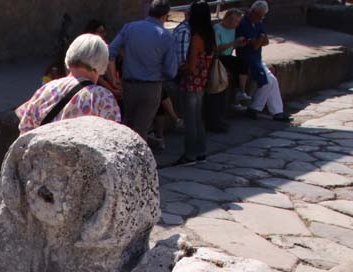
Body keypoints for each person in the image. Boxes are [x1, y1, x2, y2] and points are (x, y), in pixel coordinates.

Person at [17, 34, 120, 134]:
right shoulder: (102, 97)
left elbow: (25, 131)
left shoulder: (45, 90)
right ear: (102, 63)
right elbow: (114, 140)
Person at [108, 0, 178, 142]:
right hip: (151, 87)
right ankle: (138, 161)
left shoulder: (129, 28)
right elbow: (171, 71)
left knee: (128, 124)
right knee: (141, 129)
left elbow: (110, 52)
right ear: (165, 16)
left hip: (129, 85)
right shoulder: (166, 36)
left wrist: (113, 78)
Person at [236, 1, 291, 122]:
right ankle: (254, 108)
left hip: (257, 58)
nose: (262, 18)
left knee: (273, 81)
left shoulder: (258, 23)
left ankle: (277, 112)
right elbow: (256, 45)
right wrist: (260, 39)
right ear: (254, 12)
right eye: (261, 15)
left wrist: (259, 39)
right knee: (266, 82)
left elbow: (265, 42)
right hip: (248, 59)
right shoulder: (244, 24)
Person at [175, 0, 215, 164]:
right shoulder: (210, 35)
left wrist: (178, 70)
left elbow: (191, 66)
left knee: (190, 120)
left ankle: (190, 154)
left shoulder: (197, 38)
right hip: (202, 81)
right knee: (198, 119)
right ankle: (201, 151)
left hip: (191, 82)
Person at [205, 8, 247, 131]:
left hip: (227, 58)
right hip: (218, 59)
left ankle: (241, 91)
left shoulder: (235, 29)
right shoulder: (217, 29)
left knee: (243, 63)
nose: (238, 24)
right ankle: (215, 122)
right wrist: (233, 43)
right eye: (236, 21)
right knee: (218, 90)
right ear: (229, 19)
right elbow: (217, 49)